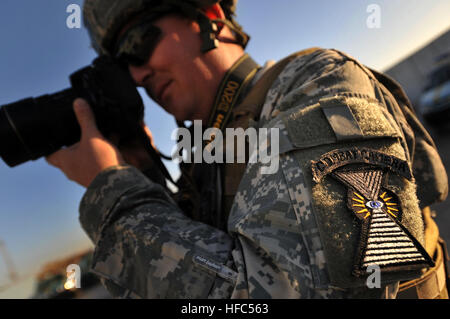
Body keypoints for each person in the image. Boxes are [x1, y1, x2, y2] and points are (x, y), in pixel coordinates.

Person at [46, 0, 449, 299]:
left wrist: (117, 196)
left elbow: (288, 292)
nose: (138, 73)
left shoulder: (314, 84)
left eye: (139, 42)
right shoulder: (203, 157)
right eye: (123, 66)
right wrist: (143, 177)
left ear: (210, 14)